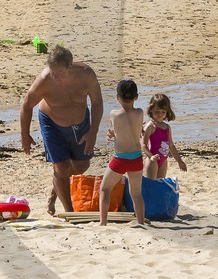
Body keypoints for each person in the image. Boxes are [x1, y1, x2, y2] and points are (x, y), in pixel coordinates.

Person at [20, 44, 104, 214]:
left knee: (81, 166)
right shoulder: (44, 80)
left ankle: (55, 189)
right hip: (52, 123)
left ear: (70, 66)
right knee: (62, 168)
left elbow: (97, 102)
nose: (54, 76)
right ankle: (69, 212)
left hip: (80, 124)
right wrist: (25, 134)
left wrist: (93, 131)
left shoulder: (86, 75)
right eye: (52, 71)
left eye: (59, 73)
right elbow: (26, 105)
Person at [100, 78, 146, 226]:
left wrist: (112, 135)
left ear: (117, 97)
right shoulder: (140, 112)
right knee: (137, 194)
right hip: (136, 158)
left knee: (105, 189)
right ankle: (140, 222)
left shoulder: (114, 114)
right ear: (136, 97)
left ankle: (103, 222)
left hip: (120, 158)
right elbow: (134, 130)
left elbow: (117, 130)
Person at [143, 93, 187, 180]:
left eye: (163, 112)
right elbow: (143, 145)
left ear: (167, 112)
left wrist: (179, 161)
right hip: (152, 160)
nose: (160, 114)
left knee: (160, 184)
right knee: (151, 185)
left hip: (163, 160)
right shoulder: (150, 126)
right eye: (157, 111)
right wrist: (151, 156)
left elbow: (171, 146)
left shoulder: (167, 127)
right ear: (151, 110)